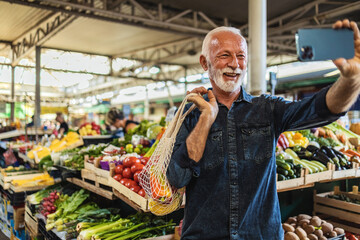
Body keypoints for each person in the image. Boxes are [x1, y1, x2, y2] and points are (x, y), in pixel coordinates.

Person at [166, 19, 360, 239]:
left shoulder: (267, 109)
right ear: (205, 62)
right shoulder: (189, 114)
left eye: (241, 56)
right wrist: (205, 120)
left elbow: (321, 109)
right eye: (224, 55)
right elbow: (176, 178)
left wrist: (351, 79)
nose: (234, 64)